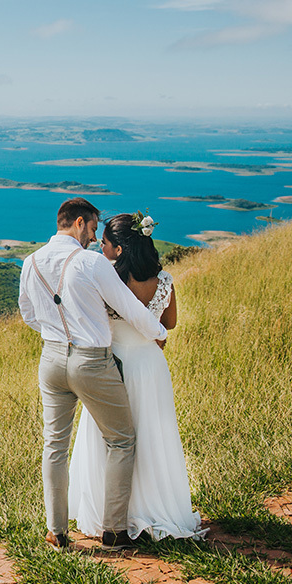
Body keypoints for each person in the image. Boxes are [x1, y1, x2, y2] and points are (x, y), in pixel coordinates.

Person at [19, 198, 168, 551]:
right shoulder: (91, 263)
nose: (94, 235)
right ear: (79, 223)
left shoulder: (31, 262)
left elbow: (28, 314)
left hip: (51, 360)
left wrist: (56, 333)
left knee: (54, 445)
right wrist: (159, 334)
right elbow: (130, 308)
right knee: (121, 440)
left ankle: (56, 532)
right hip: (92, 362)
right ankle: (114, 531)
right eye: (93, 227)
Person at [68, 213, 206, 541]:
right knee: (151, 436)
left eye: (104, 243)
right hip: (149, 365)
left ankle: (113, 514)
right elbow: (168, 324)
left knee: (109, 439)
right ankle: (155, 510)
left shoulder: (106, 281)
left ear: (119, 248)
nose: (100, 247)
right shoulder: (164, 281)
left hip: (112, 367)